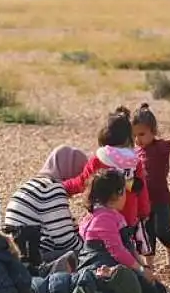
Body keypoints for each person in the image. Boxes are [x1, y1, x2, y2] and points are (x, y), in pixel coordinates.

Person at [63, 108, 152, 257]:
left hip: (102, 217)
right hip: (128, 217)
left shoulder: (99, 159)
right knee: (125, 251)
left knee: (100, 251)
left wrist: (63, 187)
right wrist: (144, 212)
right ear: (128, 138)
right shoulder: (134, 161)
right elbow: (141, 190)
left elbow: (83, 182)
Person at [76, 170, 167, 293]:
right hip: (100, 266)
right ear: (117, 194)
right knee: (150, 291)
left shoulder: (97, 215)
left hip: (105, 263)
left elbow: (128, 246)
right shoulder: (104, 219)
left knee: (156, 288)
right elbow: (118, 251)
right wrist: (140, 270)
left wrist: (144, 268)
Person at [3, 146, 89, 263]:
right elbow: (66, 242)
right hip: (35, 256)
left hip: (17, 253)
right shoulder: (52, 190)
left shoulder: (33, 185)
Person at [131, 103, 170, 270]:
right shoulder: (136, 152)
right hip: (144, 201)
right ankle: (149, 265)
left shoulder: (159, 147)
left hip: (161, 199)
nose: (138, 139)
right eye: (135, 136)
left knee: (162, 230)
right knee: (147, 234)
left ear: (153, 131)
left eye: (142, 134)